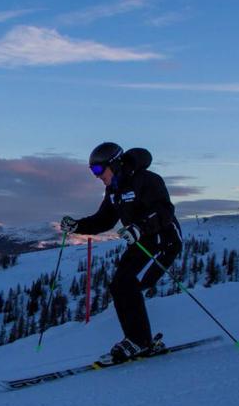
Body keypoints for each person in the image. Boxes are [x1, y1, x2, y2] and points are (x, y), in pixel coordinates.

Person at [60, 142, 182, 362]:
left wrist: (139, 227)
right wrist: (77, 226)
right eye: (92, 171)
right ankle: (138, 340)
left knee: (127, 285)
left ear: (114, 164)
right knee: (119, 286)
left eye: (98, 170)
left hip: (164, 242)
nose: (96, 176)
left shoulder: (147, 180)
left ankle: (139, 341)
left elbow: (164, 210)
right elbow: (104, 219)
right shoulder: (114, 189)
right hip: (141, 242)